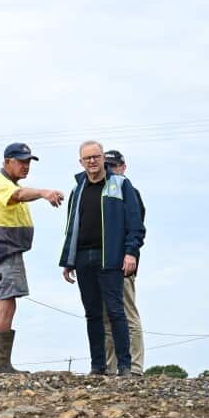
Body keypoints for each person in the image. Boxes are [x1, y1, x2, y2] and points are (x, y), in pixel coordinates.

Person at [0, 143, 65, 374]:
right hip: (2, 252)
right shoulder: (1, 184)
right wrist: (44, 193)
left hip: (3, 252)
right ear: (7, 161)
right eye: (21, 161)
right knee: (7, 304)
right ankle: (0, 364)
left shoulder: (6, 184)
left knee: (4, 305)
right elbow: (19, 195)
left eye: (28, 162)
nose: (26, 166)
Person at [58, 141, 145, 376]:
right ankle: (98, 366)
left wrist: (131, 252)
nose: (92, 161)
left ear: (102, 158)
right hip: (84, 257)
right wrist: (68, 259)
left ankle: (126, 366)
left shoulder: (121, 185)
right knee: (92, 314)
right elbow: (71, 226)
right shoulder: (78, 190)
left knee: (117, 312)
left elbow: (135, 223)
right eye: (87, 158)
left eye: (96, 156)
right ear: (81, 162)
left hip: (112, 257)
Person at [101, 149, 146, 376]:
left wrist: (131, 254)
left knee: (127, 313)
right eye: (106, 165)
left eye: (114, 165)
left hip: (124, 263)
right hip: (104, 264)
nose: (110, 170)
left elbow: (136, 228)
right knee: (107, 317)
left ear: (123, 167)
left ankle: (135, 367)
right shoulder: (104, 193)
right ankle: (110, 367)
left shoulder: (130, 192)